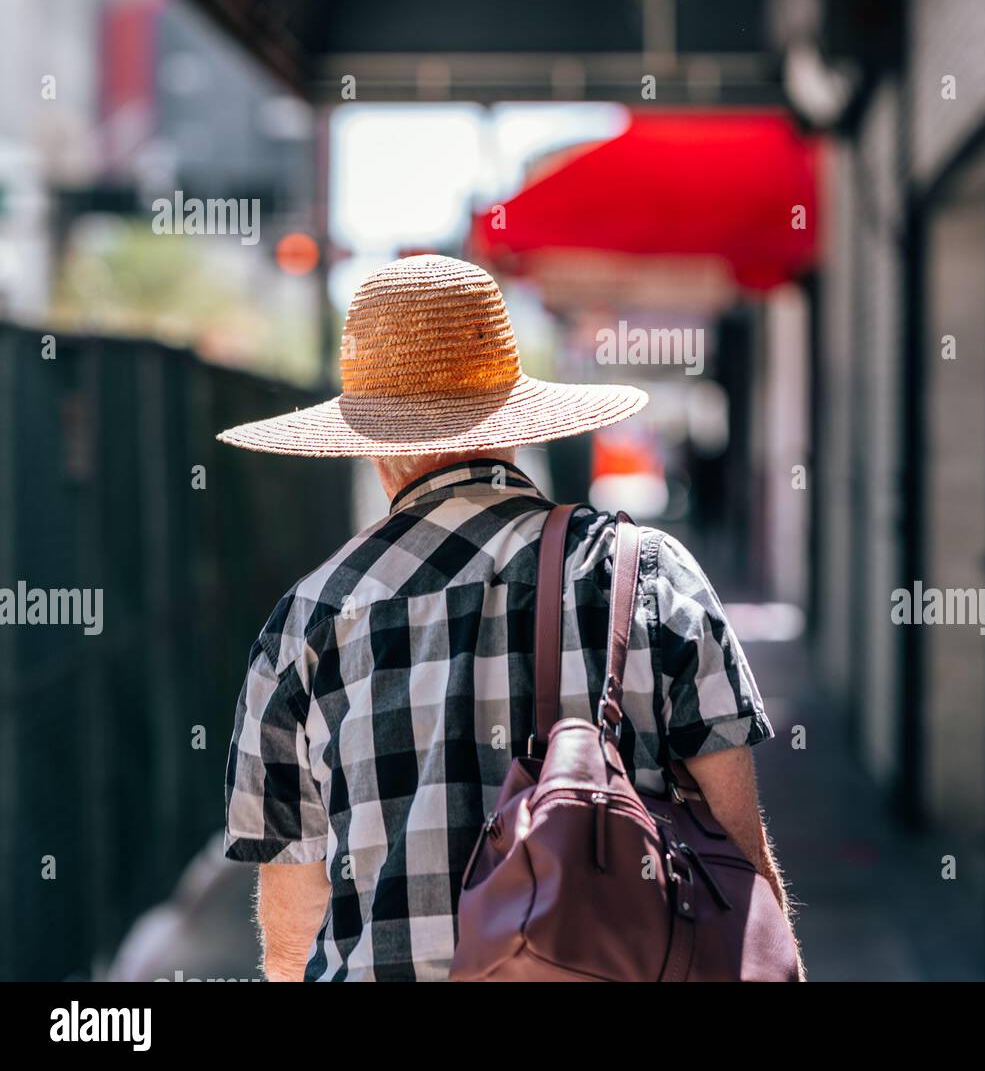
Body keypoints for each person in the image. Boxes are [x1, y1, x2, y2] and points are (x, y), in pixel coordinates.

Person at [217, 253, 800, 981]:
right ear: (513, 424)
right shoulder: (646, 574)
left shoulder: (304, 625)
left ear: (374, 449)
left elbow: (292, 935)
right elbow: (740, 869)